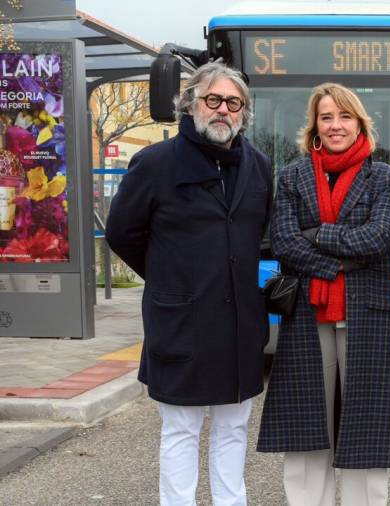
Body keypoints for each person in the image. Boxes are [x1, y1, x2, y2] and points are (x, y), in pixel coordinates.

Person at [105, 62, 272, 505]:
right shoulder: (156, 162)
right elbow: (122, 233)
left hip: (240, 323)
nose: (222, 110)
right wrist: (168, 277)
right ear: (191, 104)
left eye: (233, 103)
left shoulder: (259, 165)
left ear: (244, 112)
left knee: (233, 428)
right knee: (181, 429)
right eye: (212, 100)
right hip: (180, 320)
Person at [257, 82, 390, 506]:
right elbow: (284, 241)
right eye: (326, 117)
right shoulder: (292, 175)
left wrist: (317, 233)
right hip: (307, 311)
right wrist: (338, 263)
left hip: (369, 312)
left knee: (367, 423)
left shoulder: (384, 175)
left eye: (344, 116)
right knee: (306, 421)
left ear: (359, 123)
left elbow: (377, 239)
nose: (336, 125)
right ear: (315, 125)